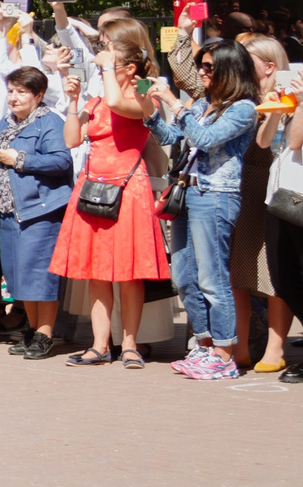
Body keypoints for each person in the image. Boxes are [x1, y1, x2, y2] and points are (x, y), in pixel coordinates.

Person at [50, 19, 171, 370]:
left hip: (129, 190)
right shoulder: (99, 98)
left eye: (111, 62)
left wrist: (105, 71)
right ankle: (99, 344)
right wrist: (73, 101)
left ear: (130, 67)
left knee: (129, 274)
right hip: (92, 187)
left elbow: (120, 105)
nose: (103, 65)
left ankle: (130, 344)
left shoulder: (142, 95)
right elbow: (72, 139)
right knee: (97, 272)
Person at [151, 39, 260, 381]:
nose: (201, 72)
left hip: (215, 196)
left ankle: (225, 354)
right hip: (186, 193)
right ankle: (204, 344)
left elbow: (207, 140)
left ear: (229, 69)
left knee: (212, 279)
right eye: (201, 65)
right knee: (184, 276)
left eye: (208, 67)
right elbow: (171, 136)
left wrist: (175, 103)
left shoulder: (243, 108)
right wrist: (150, 110)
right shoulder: (203, 103)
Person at [0, 66, 73, 360]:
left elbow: (61, 162)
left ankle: (45, 333)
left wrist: (20, 159)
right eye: (11, 91)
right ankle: (33, 329)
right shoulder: (5, 122)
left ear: (38, 95)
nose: (14, 97)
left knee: (40, 276)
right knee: (18, 275)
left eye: (22, 92)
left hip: (40, 210)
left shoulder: (48, 122)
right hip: (9, 210)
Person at [233, 38, 297, 373]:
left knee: (273, 273)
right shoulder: (243, 94)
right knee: (239, 270)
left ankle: (275, 349)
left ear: (270, 66)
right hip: (246, 185)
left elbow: (277, 142)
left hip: (279, 188)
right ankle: (240, 347)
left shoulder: (292, 96)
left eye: (248, 58)